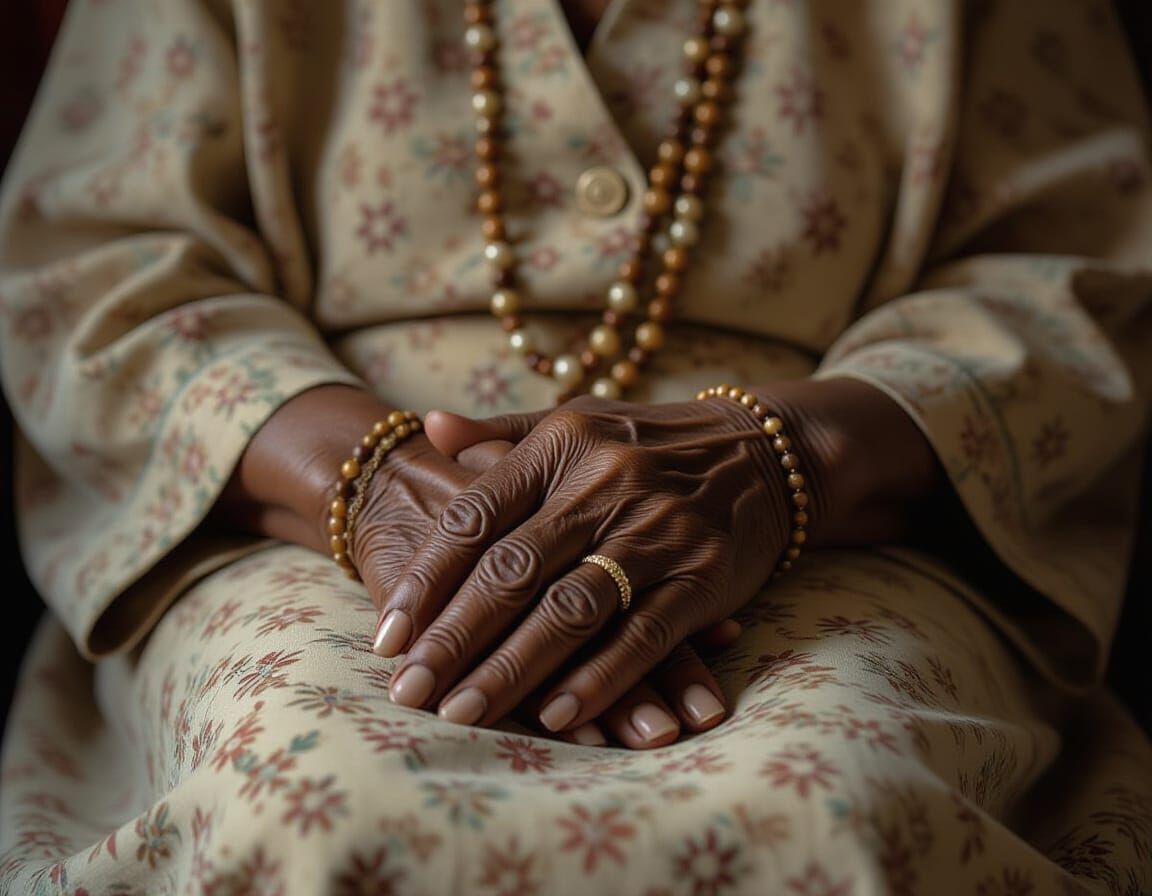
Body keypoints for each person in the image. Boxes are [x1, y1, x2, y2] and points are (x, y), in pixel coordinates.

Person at [1, 0, 1150, 892]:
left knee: (832, 813)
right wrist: (372, 483)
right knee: (319, 804)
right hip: (308, 507)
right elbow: (98, 269)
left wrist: (778, 457)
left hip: (834, 509)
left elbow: (1061, 280)